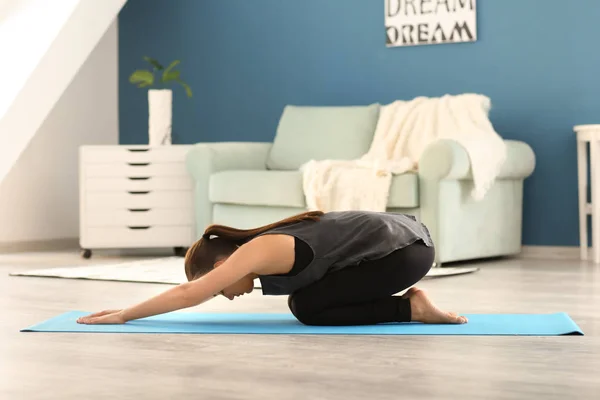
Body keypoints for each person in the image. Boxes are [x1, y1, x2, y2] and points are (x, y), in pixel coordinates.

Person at [77, 211, 467, 326]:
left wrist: (126, 314)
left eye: (218, 287)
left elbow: (187, 293)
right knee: (306, 301)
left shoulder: (259, 250)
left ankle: (412, 308)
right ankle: (410, 306)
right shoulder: (267, 248)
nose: (226, 295)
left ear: (222, 264)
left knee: (308, 308)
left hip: (406, 252)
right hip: (407, 245)